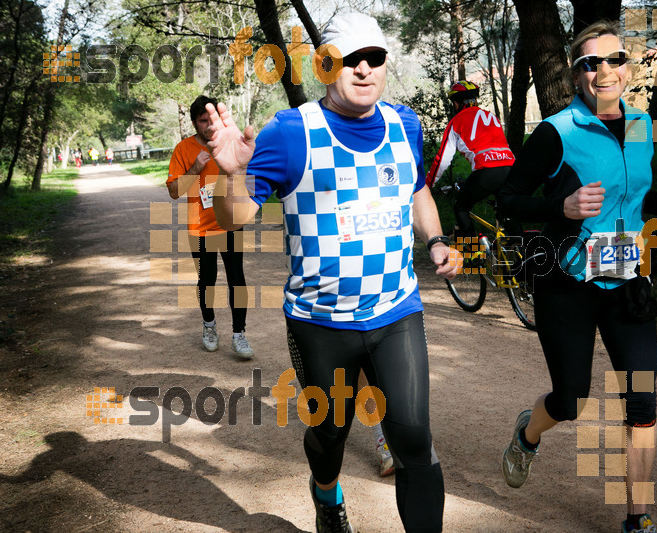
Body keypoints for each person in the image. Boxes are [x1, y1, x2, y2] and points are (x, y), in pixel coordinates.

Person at [204, 12, 460, 532]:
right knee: (331, 435)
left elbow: (416, 189)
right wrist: (232, 173)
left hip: (396, 311)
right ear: (325, 67)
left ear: (386, 65)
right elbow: (235, 217)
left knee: (413, 438)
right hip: (319, 322)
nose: (363, 69)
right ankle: (326, 494)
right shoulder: (291, 130)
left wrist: (434, 240)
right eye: (349, 60)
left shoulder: (406, 124)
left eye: (375, 58)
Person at [497, 21, 657, 533]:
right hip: (569, 283)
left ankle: (638, 519)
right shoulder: (557, 132)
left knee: (644, 401)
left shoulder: (641, 126)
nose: (604, 71)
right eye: (591, 63)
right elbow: (508, 198)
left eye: (614, 59)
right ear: (576, 74)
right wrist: (558, 206)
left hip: (626, 276)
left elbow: (634, 196)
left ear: (628, 69)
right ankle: (528, 434)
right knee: (572, 399)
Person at [167, 95, 254, 360]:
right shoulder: (184, 149)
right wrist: (194, 169)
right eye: (203, 120)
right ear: (195, 122)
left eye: (211, 119)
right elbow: (173, 191)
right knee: (207, 281)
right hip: (200, 228)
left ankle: (239, 334)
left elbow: (249, 176)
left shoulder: (229, 144)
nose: (208, 125)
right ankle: (209, 326)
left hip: (229, 223)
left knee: (236, 280)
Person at [425, 80, 516, 238]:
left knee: (460, 207)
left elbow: (442, 160)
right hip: (511, 169)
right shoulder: (490, 117)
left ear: (457, 102)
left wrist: (427, 185)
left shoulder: (456, 122)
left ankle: (475, 255)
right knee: (506, 208)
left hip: (486, 173)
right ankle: (522, 251)